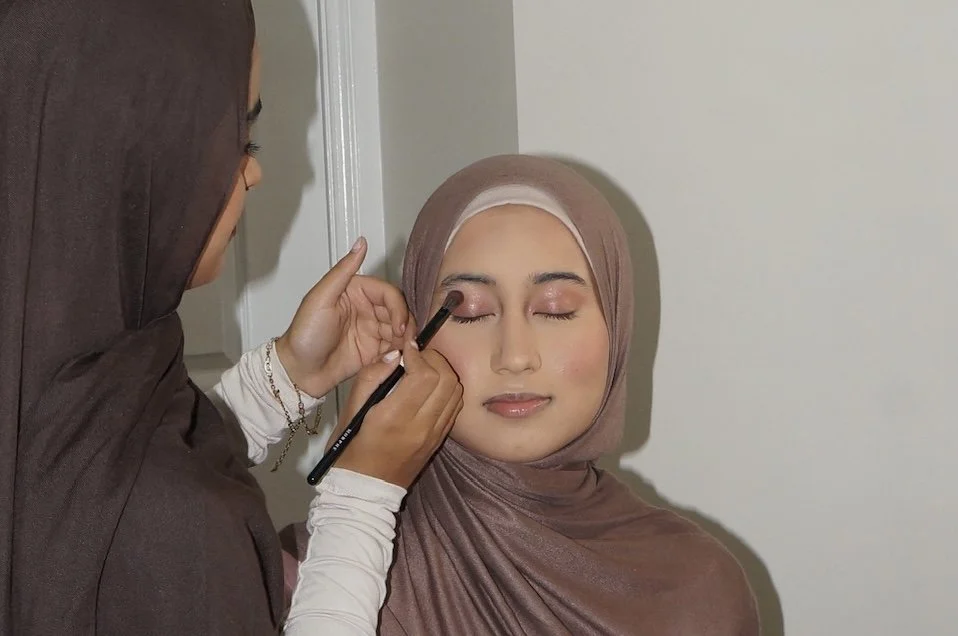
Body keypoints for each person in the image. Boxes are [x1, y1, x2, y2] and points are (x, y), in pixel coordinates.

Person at [0, 0, 460, 634]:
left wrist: (286, 376)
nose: (256, 171)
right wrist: (363, 490)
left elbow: (87, 470)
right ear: (132, 151)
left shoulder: (68, 373)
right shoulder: (171, 530)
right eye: (238, 139)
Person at [285, 155, 762, 635]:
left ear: (616, 328)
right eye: (470, 312)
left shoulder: (699, 589)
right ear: (415, 334)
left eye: (555, 310)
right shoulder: (307, 577)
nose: (514, 356)